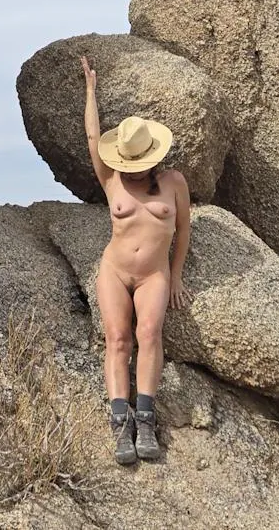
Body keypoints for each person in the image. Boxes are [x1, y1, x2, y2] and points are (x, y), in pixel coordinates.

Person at [79, 55, 191, 465]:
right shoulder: (110, 177)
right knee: (118, 339)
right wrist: (91, 91)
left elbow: (184, 231)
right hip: (115, 269)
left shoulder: (174, 182)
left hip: (153, 276)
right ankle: (119, 426)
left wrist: (175, 275)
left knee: (149, 332)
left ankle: (145, 420)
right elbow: (93, 139)